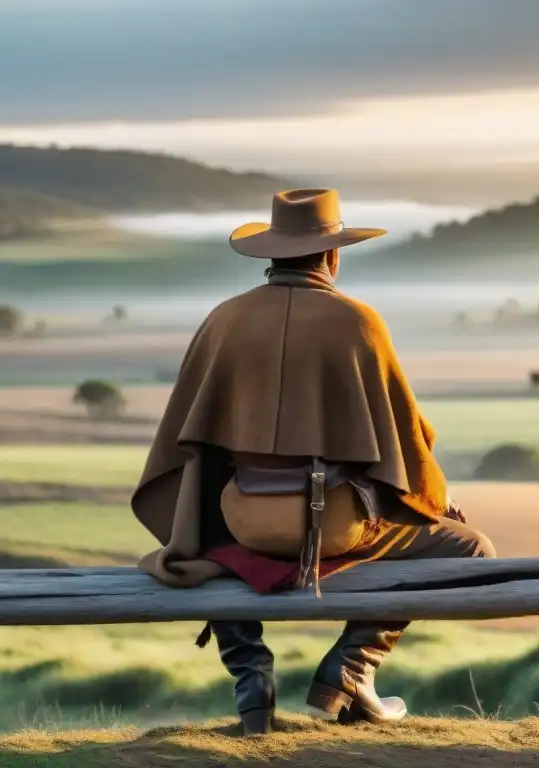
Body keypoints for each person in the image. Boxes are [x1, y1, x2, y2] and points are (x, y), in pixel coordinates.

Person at [129, 188, 496, 736]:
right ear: (332, 255)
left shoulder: (223, 319)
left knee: (199, 537)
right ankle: (349, 671)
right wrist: (433, 502)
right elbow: (406, 440)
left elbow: (189, 447)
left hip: (244, 524)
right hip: (337, 529)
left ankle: (251, 676)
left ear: (272, 253)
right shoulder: (359, 322)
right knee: (470, 547)